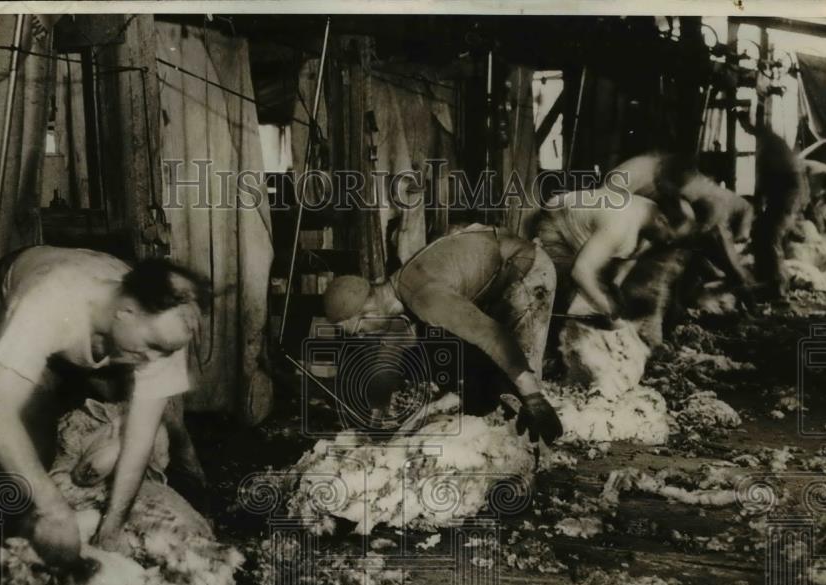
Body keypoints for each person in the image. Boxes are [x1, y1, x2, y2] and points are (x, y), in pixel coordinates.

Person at [0, 246, 208, 567]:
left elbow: (138, 441)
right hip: (20, 284)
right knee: (6, 445)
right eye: (152, 346)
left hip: (95, 301)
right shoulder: (46, 302)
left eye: (165, 351)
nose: (156, 359)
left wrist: (113, 527)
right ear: (126, 311)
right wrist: (52, 509)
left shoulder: (164, 329)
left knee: (154, 413)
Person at [322, 225, 564, 446]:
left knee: (522, 384)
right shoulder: (394, 295)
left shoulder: (424, 297)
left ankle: (533, 464)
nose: (365, 336)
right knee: (498, 384)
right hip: (499, 273)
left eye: (362, 331)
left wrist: (534, 398)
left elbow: (492, 336)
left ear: (369, 310)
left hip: (528, 271)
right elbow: (388, 355)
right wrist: (378, 415)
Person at [533, 183, 699, 325]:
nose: (668, 243)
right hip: (558, 224)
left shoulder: (651, 217)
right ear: (661, 220)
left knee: (604, 298)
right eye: (669, 237)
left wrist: (614, 296)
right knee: (568, 296)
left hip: (590, 235)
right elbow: (580, 271)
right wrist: (606, 308)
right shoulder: (620, 224)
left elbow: (626, 264)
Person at [605, 151, 756, 304]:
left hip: (642, 206)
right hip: (617, 207)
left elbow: (717, 239)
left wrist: (735, 272)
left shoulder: (705, 196)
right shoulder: (636, 180)